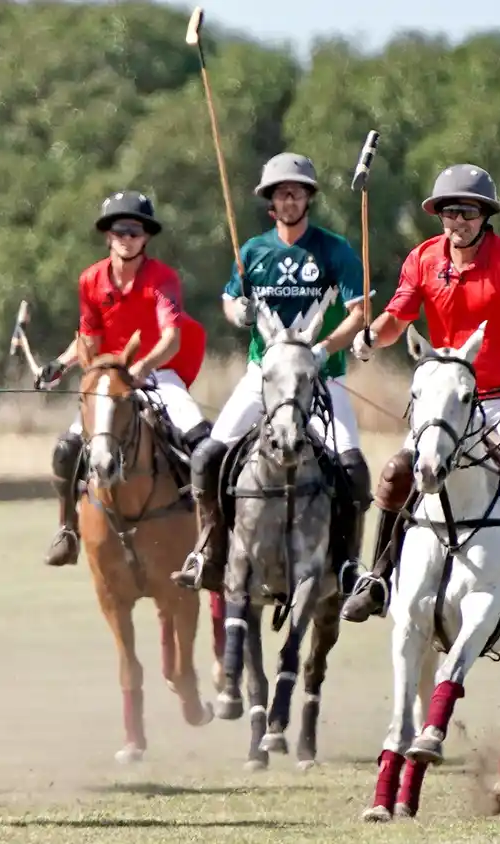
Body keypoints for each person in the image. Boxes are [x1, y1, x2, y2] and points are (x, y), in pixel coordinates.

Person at [341, 163, 500, 623]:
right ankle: (377, 577)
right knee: (397, 474)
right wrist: (372, 337)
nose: (458, 220)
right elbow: (398, 318)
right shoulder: (423, 260)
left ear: (485, 216)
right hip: (451, 404)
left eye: (469, 212)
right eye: (450, 211)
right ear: (439, 214)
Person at [170, 152, 372, 593]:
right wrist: (237, 311)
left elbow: (359, 313)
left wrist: (322, 350)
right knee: (207, 458)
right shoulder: (253, 251)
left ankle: (348, 565)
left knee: (354, 469)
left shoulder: (334, 249)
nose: (289, 200)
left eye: (297, 193)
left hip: (322, 378)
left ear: (308, 198)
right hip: (263, 376)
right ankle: (210, 551)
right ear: (271, 202)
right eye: (282, 194)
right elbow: (230, 300)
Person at [35, 190, 209, 568]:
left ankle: (212, 534)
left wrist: (143, 367)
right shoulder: (91, 280)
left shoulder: (162, 279)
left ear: (146, 237)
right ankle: (67, 529)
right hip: (108, 380)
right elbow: (89, 338)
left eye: (135, 231)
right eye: (120, 231)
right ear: (107, 236)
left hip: (156, 372)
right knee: (66, 449)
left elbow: (171, 337)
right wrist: (60, 364)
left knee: (202, 441)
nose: (127, 238)